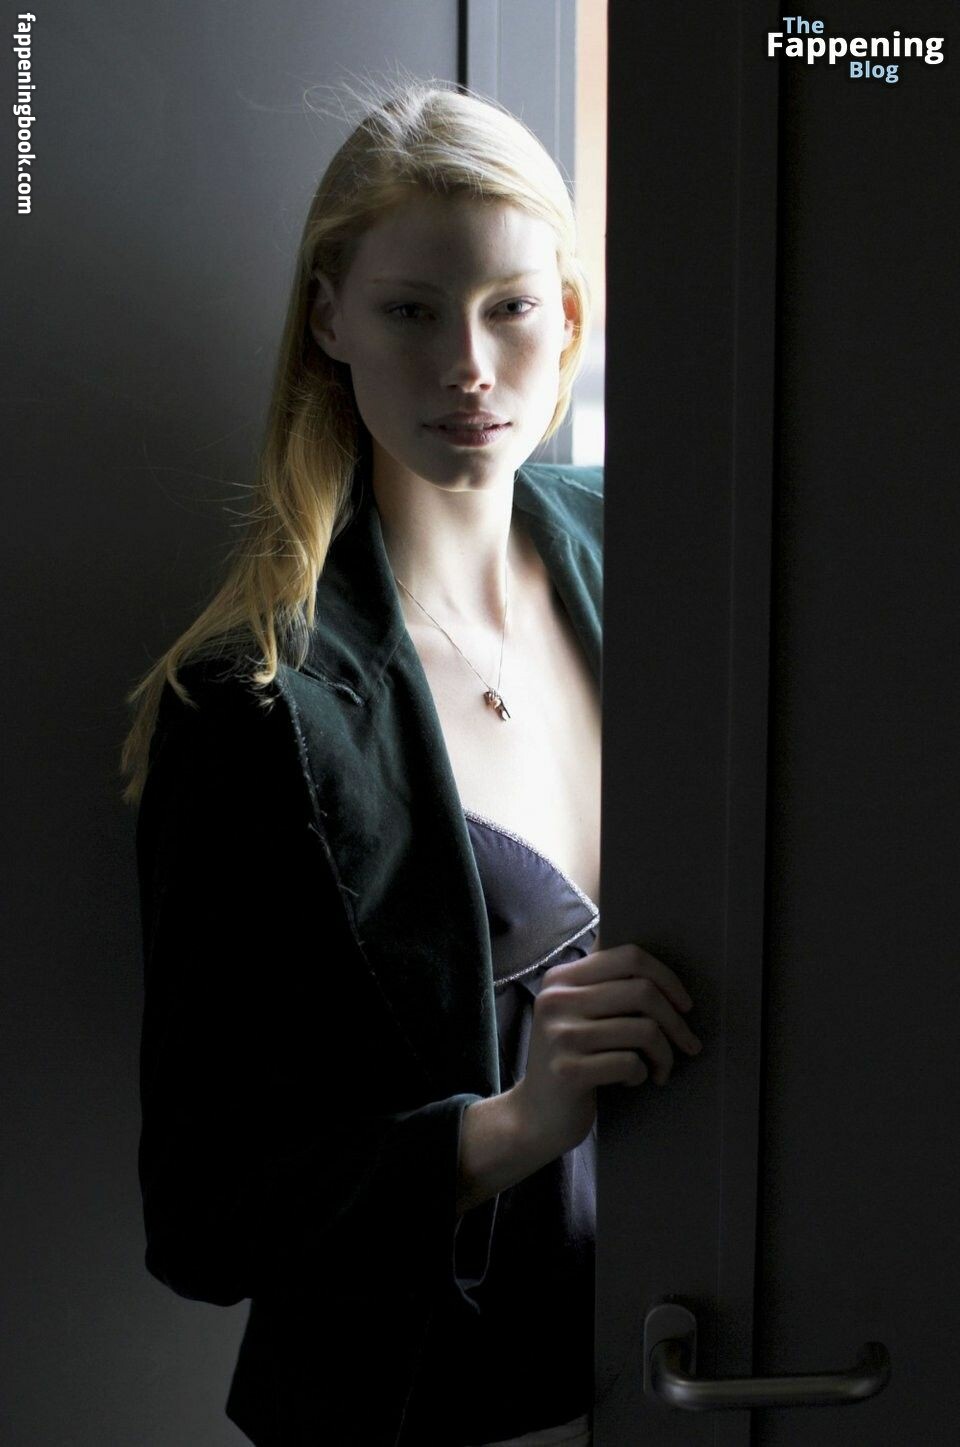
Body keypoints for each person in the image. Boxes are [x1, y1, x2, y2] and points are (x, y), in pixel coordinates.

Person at [120, 76, 703, 1447]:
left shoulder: (674, 553)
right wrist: (509, 1125)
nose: (469, 366)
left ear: (570, 317)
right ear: (329, 319)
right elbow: (202, 1214)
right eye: (411, 311)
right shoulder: (253, 707)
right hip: (424, 1407)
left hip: (695, 1354)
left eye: (510, 307)